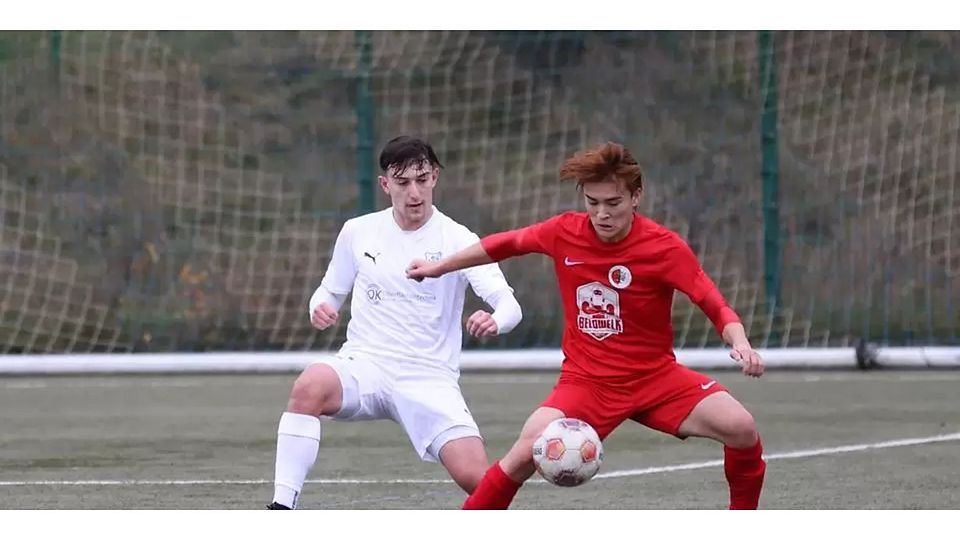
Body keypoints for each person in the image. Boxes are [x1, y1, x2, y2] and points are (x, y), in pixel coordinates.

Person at [406, 141, 766, 510]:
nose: (602, 214)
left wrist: (741, 342)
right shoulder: (564, 231)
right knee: (523, 453)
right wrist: (440, 266)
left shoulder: (664, 247)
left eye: (613, 203)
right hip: (588, 382)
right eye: (592, 203)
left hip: (656, 378)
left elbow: (714, 303)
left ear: (636, 196)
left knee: (741, 427)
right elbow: (508, 243)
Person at [268, 136, 523, 509]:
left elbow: (509, 305)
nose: (414, 192)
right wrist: (319, 307)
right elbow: (328, 291)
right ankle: (280, 510)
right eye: (403, 183)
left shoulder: (459, 239)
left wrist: (495, 321)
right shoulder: (358, 231)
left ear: (435, 177)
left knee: (479, 481)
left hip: (428, 377)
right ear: (385, 184)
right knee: (310, 385)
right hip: (365, 365)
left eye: (422, 179)